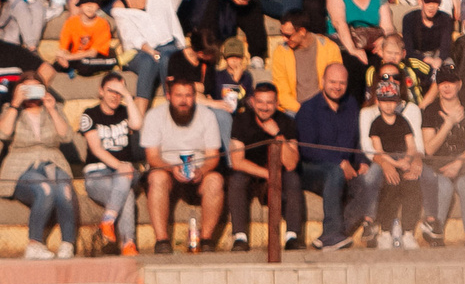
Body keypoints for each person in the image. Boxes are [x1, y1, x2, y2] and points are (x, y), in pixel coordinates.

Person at [141, 72, 225, 254]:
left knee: (216, 180)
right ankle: (162, 240)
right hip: (166, 168)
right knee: (156, 178)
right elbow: (152, 157)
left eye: (188, 96)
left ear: (194, 97)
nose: (184, 101)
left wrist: (201, 171)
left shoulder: (207, 116)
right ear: (169, 96)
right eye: (179, 95)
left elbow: (213, 155)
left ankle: (206, 239)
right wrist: (172, 168)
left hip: (199, 170)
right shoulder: (154, 116)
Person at [295, 61, 375, 249]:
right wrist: (339, 162)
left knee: (367, 184)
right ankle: (332, 234)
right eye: (332, 82)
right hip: (312, 169)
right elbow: (306, 149)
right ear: (322, 81)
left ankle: (331, 236)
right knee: (335, 172)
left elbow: (356, 141)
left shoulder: (351, 105)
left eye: (342, 83)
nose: (337, 87)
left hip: (343, 166)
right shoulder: (308, 109)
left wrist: (362, 162)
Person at [223, 78, 303, 252]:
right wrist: (267, 173)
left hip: (280, 173)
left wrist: (278, 135)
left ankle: (292, 236)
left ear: (277, 103)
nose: (264, 107)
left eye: (269, 103)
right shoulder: (241, 120)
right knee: (236, 179)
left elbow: (291, 164)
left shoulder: (286, 122)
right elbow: (237, 162)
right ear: (252, 101)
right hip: (251, 173)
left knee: (293, 178)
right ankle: (240, 237)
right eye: (260, 102)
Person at [80, 72, 144, 253]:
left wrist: (128, 97)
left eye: (119, 92)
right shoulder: (89, 114)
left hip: (125, 173)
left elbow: (137, 124)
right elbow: (97, 149)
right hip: (97, 175)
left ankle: (108, 220)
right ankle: (128, 244)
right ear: (101, 91)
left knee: (125, 175)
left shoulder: (125, 112)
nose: (115, 96)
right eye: (111, 91)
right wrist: (120, 166)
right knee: (128, 194)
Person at [421, 65, 465, 245]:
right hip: (438, 163)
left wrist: (458, 164)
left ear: (459, 84)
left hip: (464, 161)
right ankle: (436, 232)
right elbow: (430, 149)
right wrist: (448, 123)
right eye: (442, 83)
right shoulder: (431, 111)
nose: (447, 87)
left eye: (451, 82)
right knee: (444, 187)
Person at [359, 79, 424, 250]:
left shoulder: (403, 122)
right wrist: (394, 163)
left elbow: (411, 146)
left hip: (403, 160)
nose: (388, 106)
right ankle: (386, 231)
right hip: (388, 161)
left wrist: (407, 161)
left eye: (391, 101)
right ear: (378, 102)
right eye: (384, 101)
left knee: (412, 186)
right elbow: (378, 150)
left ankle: (408, 231)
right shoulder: (376, 124)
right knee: (390, 189)